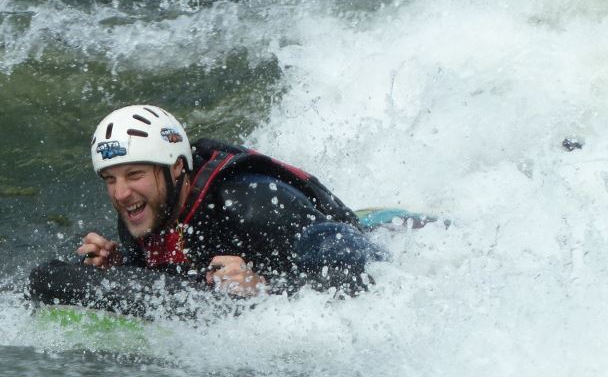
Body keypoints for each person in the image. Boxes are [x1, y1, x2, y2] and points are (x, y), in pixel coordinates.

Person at [29, 105, 383, 318]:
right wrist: (117, 266)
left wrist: (267, 287)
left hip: (374, 236)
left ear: (177, 168)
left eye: (134, 174)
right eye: (110, 179)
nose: (121, 193)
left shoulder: (252, 203)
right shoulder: (143, 211)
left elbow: (361, 272)